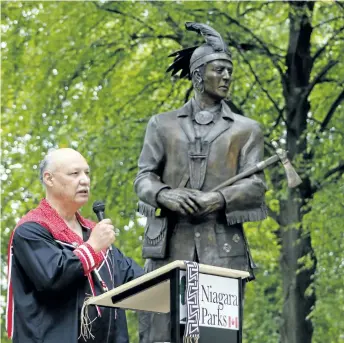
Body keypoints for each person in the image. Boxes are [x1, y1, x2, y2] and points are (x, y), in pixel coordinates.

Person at [135, 22, 268, 342]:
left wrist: (217, 200)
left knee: (216, 338)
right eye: (219, 70)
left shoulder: (246, 129)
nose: (226, 77)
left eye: (230, 72)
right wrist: (165, 194)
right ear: (197, 75)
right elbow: (143, 178)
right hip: (167, 250)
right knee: (159, 336)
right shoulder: (162, 125)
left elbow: (256, 186)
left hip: (222, 251)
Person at [6, 148, 144, 343]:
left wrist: (178, 277)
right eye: (74, 173)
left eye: (87, 173)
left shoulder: (93, 232)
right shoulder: (31, 230)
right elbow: (52, 277)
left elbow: (136, 278)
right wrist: (93, 247)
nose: (85, 180)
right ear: (49, 178)